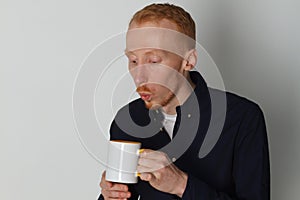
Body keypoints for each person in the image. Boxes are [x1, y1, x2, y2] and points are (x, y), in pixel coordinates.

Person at [98, 3, 270, 200]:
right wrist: (110, 195)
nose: (139, 78)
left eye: (153, 61)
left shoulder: (243, 118)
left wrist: (181, 185)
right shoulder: (126, 120)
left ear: (188, 61)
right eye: (133, 61)